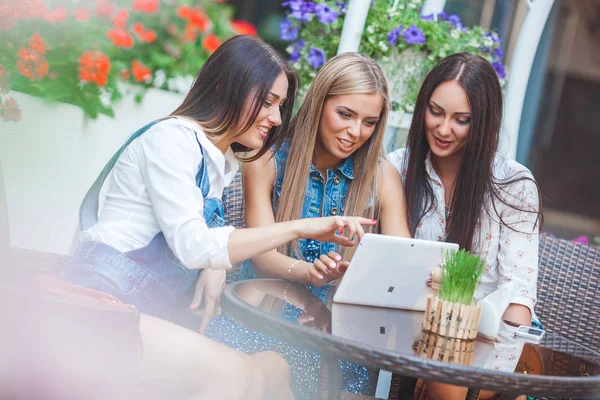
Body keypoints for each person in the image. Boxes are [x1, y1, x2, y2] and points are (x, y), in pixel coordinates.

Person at [59, 35, 375, 400]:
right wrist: (302, 226)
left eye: (280, 105)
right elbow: (194, 246)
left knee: (274, 366)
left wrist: (214, 265)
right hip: (99, 309)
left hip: (144, 313)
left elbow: (200, 240)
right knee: (233, 373)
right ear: (227, 88)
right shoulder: (171, 140)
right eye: (268, 102)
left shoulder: (219, 165)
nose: (275, 119)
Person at [206, 52, 411, 399]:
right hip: (259, 316)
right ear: (319, 103)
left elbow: (405, 259)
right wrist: (309, 272)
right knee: (262, 370)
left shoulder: (382, 176)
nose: (354, 132)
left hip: (334, 335)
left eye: (369, 122)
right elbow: (263, 256)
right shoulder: (268, 158)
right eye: (345, 114)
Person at [388, 52, 542, 400]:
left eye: (462, 119)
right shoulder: (397, 169)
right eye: (436, 112)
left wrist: (486, 386)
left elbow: (517, 297)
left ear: (483, 122)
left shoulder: (512, 184)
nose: (443, 129)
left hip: (487, 352)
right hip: (407, 340)